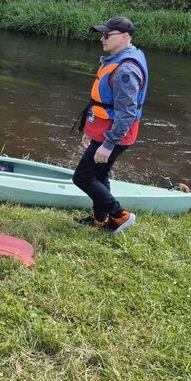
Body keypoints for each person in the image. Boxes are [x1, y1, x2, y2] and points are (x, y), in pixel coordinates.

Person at [72, 16, 148, 232]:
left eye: (107, 35)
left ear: (124, 37)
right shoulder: (122, 57)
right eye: (101, 35)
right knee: (99, 175)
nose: (102, 39)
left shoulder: (126, 70)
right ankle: (100, 219)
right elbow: (102, 102)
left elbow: (127, 113)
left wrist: (109, 143)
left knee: (82, 177)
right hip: (103, 129)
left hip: (115, 134)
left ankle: (119, 215)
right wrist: (89, 129)